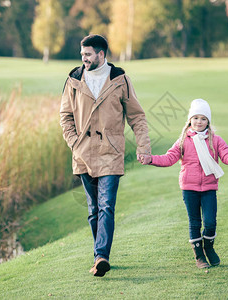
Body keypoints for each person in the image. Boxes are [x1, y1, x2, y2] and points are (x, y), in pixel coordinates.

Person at [60, 34, 151, 277]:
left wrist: (143, 146)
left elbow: (137, 117)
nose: (84, 58)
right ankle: (99, 254)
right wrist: (74, 143)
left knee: (106, 206)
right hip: (83, 153)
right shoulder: (74, 79)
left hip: (111, 153)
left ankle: (101, 256)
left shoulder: (120, 79)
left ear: (101, 54)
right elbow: (65, 116)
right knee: (93, 209)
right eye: (82, 54)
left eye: (88, 54)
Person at [141, 99, 228, 269]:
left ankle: (209, 248)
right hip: (189, 188)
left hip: (209, 188)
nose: (199, 122)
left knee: (210, 222)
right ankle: (199, 256)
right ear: (190, 120)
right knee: (194, 223)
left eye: (203, 119)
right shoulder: (183, 140)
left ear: (208, 121)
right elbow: (169, 158)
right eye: (196, 118)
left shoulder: (215, 140)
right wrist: (150, 159)